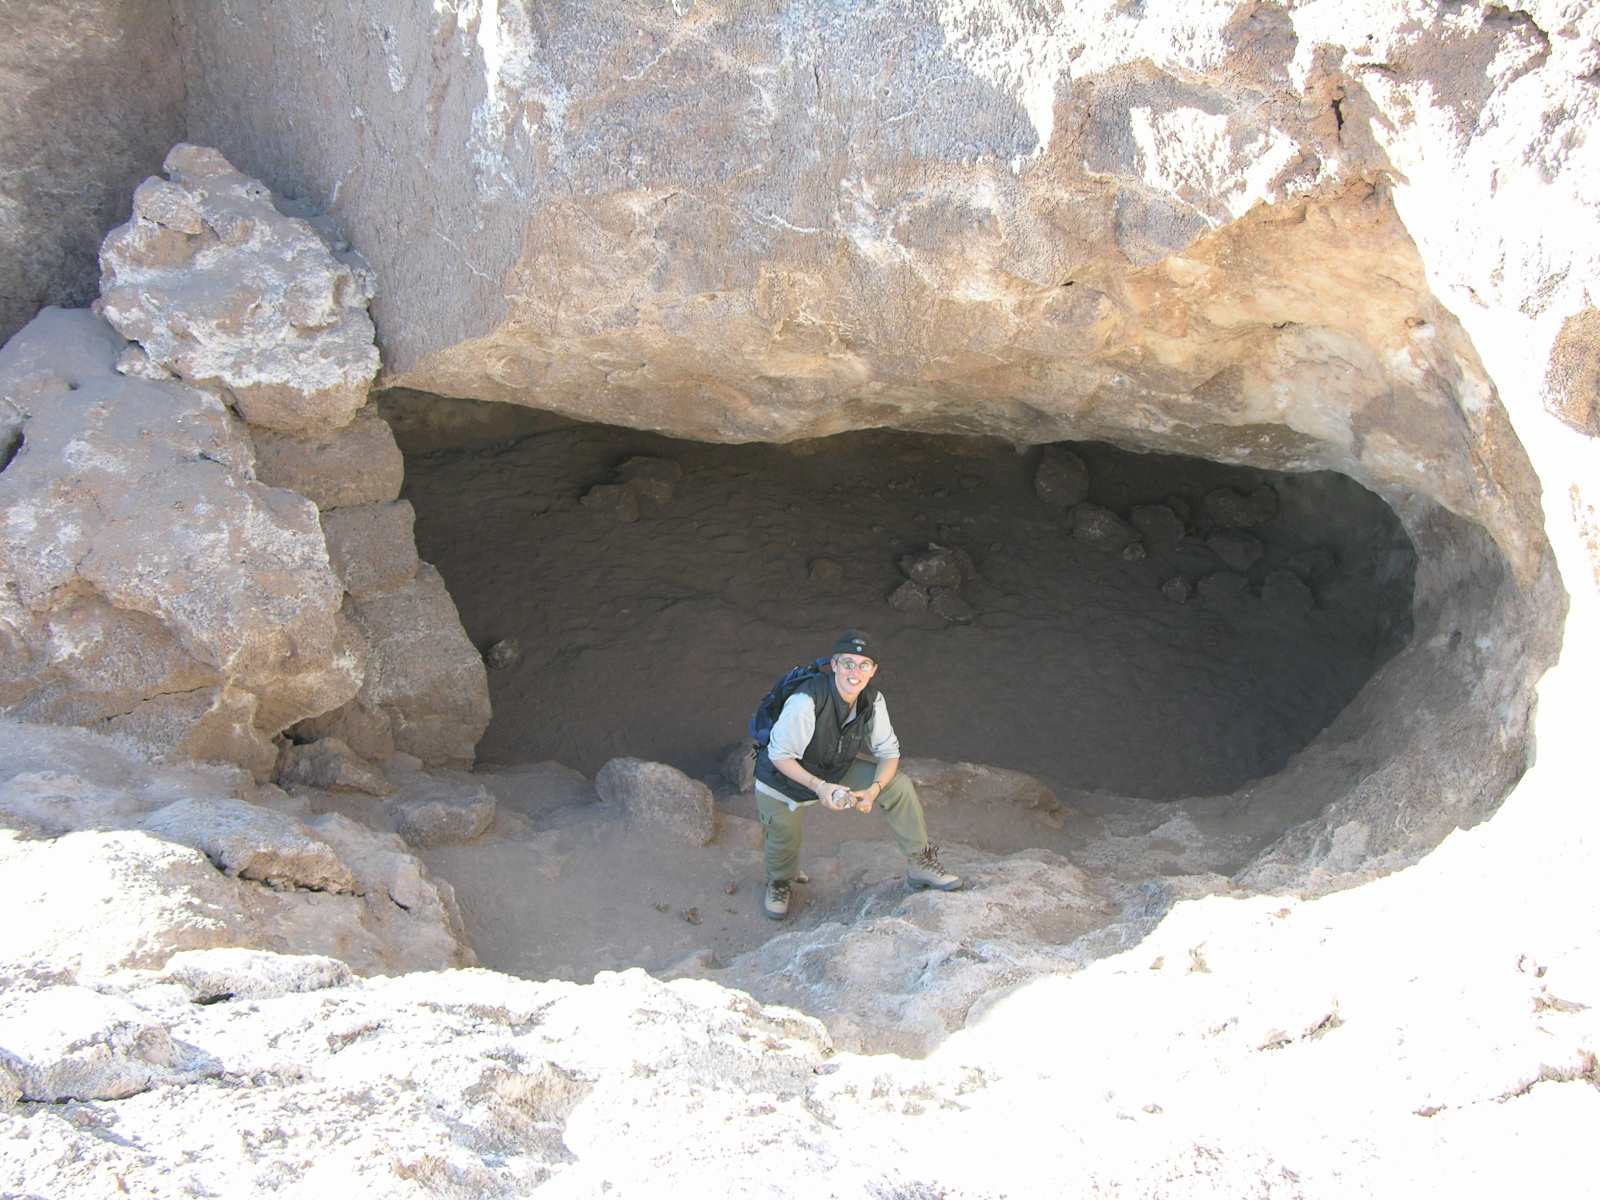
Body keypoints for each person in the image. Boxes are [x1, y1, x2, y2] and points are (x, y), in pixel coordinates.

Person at [753, 629, 961, 920]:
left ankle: (920, 862)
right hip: (783, 780)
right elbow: (780, 756)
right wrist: (820, 787)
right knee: (783, 840)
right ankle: (780, 881)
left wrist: (874, 790)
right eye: (848, 663)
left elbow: (888, 753)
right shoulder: (805, 701)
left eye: (864, 665)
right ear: (834, 665)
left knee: (897, 785)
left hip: (834, 768)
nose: (855, 672)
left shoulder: (872, 700)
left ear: (873, 670)